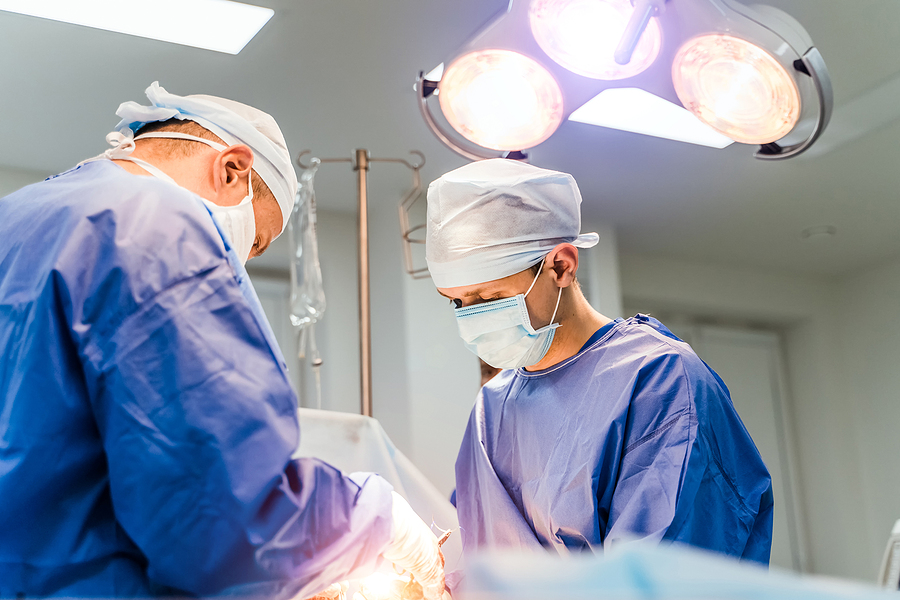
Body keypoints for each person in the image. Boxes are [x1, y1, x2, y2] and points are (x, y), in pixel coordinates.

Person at [0, 82, 445, 599]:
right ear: (231, 169)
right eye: (254, 242)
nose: (243, 262)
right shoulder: (157, 227)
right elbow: (220, 521)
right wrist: (375, 518)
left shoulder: (17, 217)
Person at [425, 159, 774, 563]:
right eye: (456, 301)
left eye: (490, 298)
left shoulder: (657, 380)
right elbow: (472, 558)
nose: (471, 316)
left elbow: (662, 575)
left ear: (561, 266)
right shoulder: (491, 410)